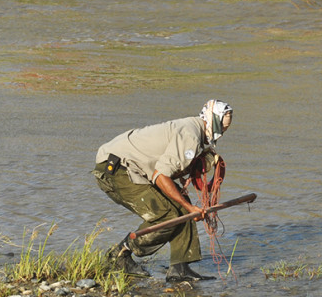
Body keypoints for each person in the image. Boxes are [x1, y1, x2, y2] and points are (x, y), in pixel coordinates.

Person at [93, 100, 233, 282]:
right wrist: (189, 208)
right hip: (115, 169)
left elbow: (164, 168)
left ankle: (180, 268)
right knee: (167, 215)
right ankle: (119, 254)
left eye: (225, 129)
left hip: (129, 167)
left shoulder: (192, 129)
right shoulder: (190, 135)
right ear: (212, 121)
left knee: (182, 207)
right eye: (222, 128)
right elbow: (161, 175)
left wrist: (186, 199)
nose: (222, 133)